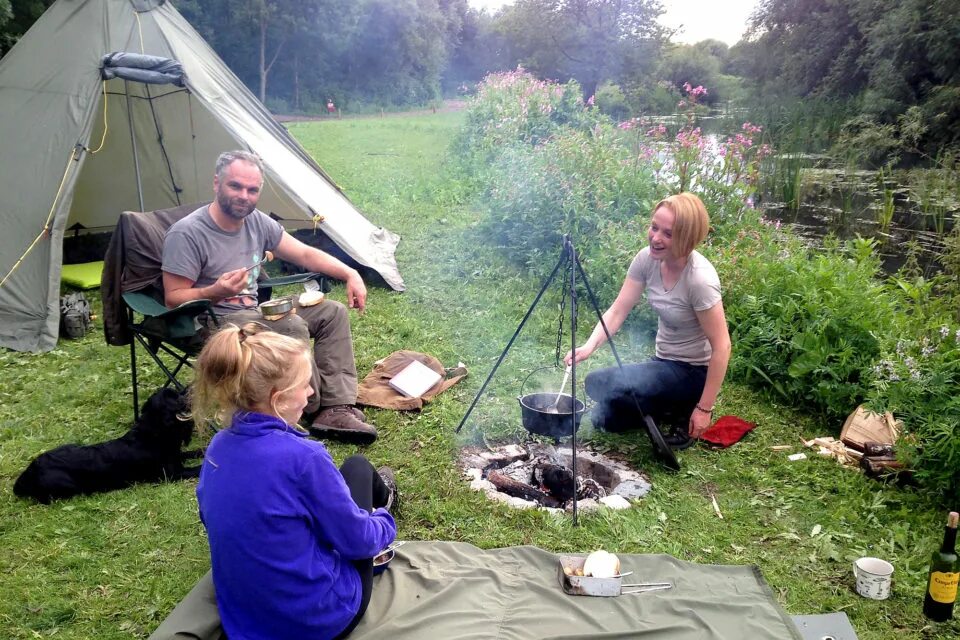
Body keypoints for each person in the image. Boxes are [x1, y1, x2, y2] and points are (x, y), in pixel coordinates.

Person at [192, 322, 398, 639]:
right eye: (305, 385)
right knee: (357, 468)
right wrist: (384, 524)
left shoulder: (219, 446)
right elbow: (357, 542)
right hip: (317, 621)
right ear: (279, 398)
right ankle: (385, 502)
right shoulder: (304, 458)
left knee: (322, 501)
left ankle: (376, 500)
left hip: (246, 622)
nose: (312, 393)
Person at [162, 150, 377, 444]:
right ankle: (305, 409)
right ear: (216, 183)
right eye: (235, 186)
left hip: (255, 313)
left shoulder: (256, 221)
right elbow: (173, 298)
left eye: (252, 190)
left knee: (332, 312)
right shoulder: (187, 233)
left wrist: (350, 273)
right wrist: (216, 291)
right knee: (290, 326)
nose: (244, 196)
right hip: (215, 323)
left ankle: (336, 407)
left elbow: (303, 253)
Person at [565, 192, 731, 449]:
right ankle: (666, 406)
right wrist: (588, 347)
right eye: (654, 227)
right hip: (662, 364)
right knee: (607, 419)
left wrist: (705, 409)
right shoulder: (647, 259)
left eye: (668, 233)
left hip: (694, 371)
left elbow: (722, 346)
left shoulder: (700, 280)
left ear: (686, 238)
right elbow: (618, 310)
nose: (656, 238)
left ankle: (686, 409)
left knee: (600, 382)